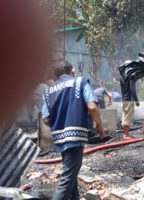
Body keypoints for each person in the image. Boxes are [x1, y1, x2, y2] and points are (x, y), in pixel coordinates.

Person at [42, 61, 104, 200]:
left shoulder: (48, 91)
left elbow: (46, 119)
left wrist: (60, 121)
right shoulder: (80, 82)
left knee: (71, 173)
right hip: (75, 136)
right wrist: (99, 125)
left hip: (59, 137)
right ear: (72, 70)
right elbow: (93, 107)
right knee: (67, 178)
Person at [120, 68, 140, 140]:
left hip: (124, 99)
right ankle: (126, 135)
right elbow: (132, 89)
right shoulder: (131, 76)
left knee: (125, 116)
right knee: (128, 117)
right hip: (129, 100)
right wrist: (136, 100)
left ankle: (126, 133)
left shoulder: (122, 76)